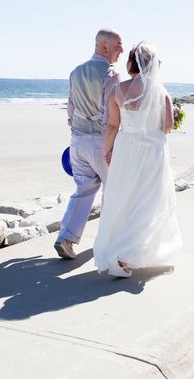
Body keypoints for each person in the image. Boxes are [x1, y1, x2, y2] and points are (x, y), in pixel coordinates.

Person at [93, 42, 182, 278]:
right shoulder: (162, 93)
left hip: (126, 149)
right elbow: (167, 127)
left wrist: (107, 151)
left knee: (124, 197)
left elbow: (113, 125)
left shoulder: (119, 90)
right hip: (152, 152)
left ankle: (120, 250)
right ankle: (125, 254)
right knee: (148, 201)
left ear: (132, 62)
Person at [54, 29, 123, 260]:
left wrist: (75, 132)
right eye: (117, 46)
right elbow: (111, 116)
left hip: (77, 140)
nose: (121, 51)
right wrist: (110, 145)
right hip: (100, 141)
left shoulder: (76, 72)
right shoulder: (111, 75)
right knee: (112, 190)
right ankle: (109, 241)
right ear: (104, 47)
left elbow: (71, 108)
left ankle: (66, 237)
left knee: (82, 190)